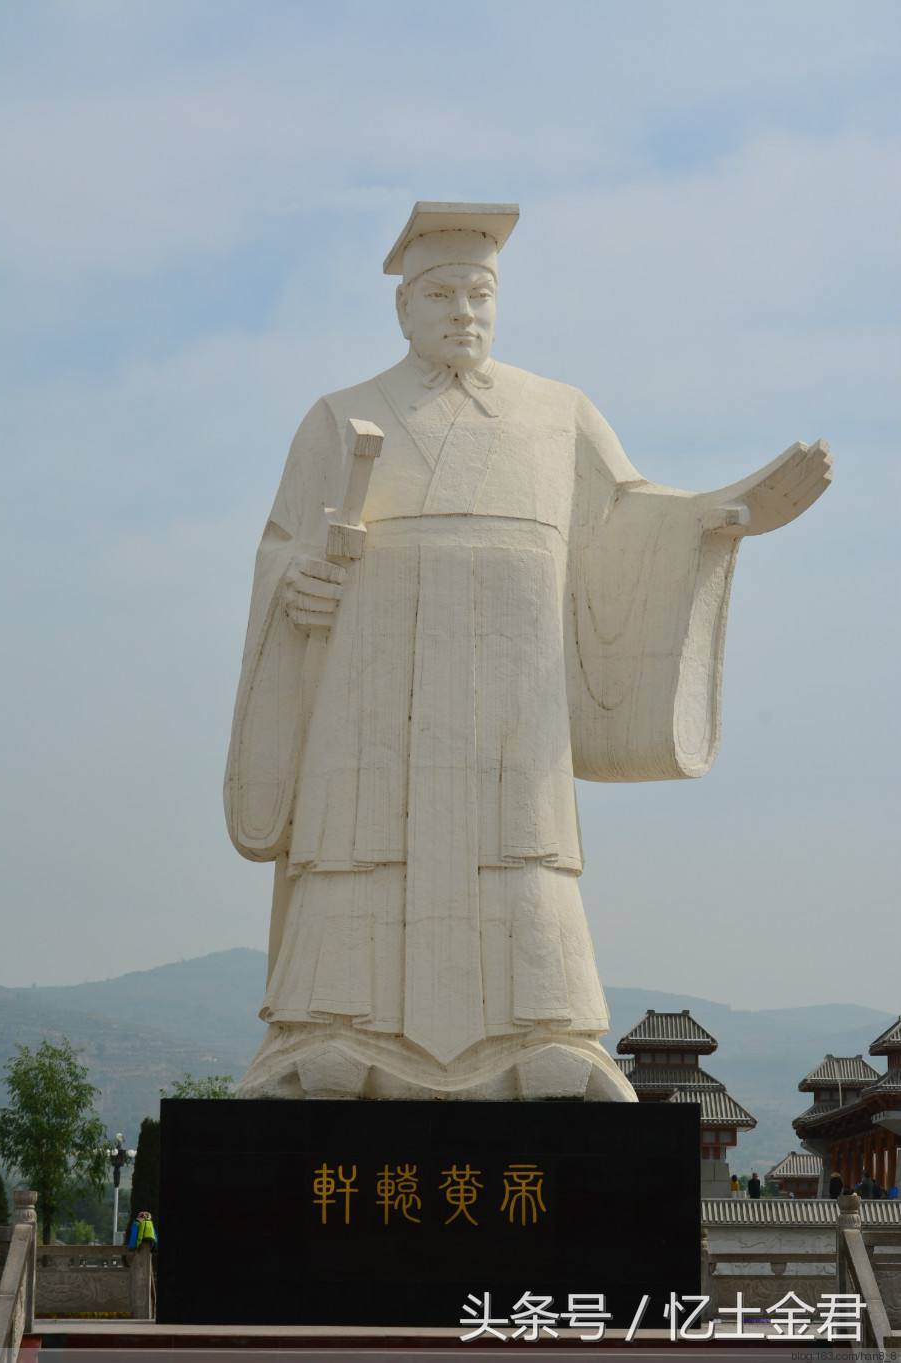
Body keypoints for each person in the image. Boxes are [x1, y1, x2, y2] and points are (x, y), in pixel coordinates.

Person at [226, 201, 833, 1101]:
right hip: (372, 684)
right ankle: (328, 1028)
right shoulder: (338, 417)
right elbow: (281, 548)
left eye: (479, 293)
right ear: (404, 310)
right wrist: (296, 587)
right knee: (358, 836)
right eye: (440, 294)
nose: (463, 311)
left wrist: (728, 513)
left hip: (513, 690)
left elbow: (632, 519)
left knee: (519, 843)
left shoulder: (558, 413)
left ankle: (544, 1033)